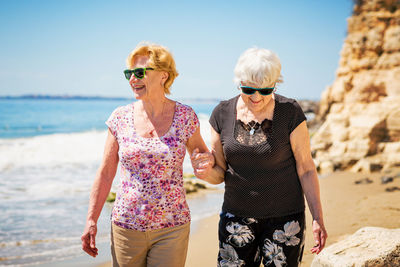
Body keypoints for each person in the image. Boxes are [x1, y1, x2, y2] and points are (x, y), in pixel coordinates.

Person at [80, 42, 213, 267]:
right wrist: (91, 220)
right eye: (129, 73)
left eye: (140, 72)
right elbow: (105, 173)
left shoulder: (185, 116)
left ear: (164, 75)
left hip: (172, 227)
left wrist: (206, 161)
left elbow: (201, 154)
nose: (133, 78)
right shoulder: (119, 117)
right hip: (126, 227)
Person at [198, 47, 328, 267]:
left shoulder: (290, 112)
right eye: (249, 89)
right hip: (236, 219)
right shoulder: (221, 114)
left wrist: (317, 217)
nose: (257, 97)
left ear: (276, 84)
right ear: (238, 82)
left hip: (285, 220)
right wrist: (205, 171)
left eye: (266, 90)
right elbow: (219, 174)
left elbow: (306, 168)